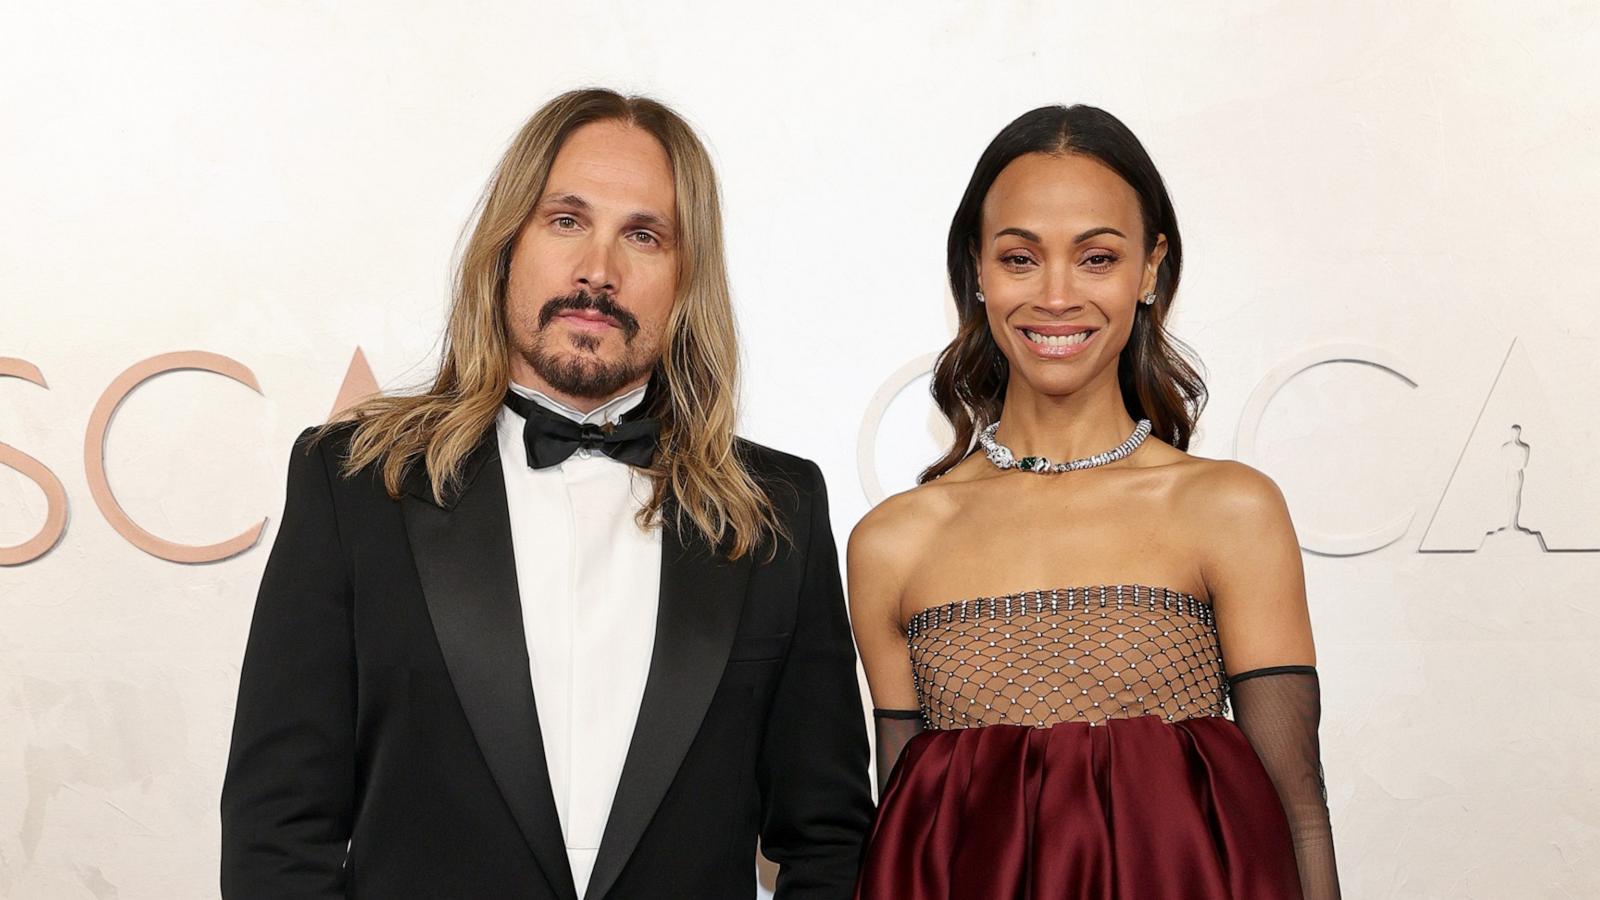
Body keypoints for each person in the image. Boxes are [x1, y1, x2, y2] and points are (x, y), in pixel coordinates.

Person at [220, 88, 873, 900]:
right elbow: (278, 828)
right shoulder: (355, 481)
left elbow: (829, 837)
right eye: (565, 220)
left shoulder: (780, 509)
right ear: (506, 247)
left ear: (687, 279)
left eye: (644, 235)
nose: (598, 270)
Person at [849, 105, 1340, 899]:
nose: (1055, 295)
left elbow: (1299, 813)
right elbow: (906, 844)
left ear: (1150, 270)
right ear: (976, 269)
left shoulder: (1228, 510)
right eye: (1019, 257)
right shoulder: (893, 544)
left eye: (1097, 257)